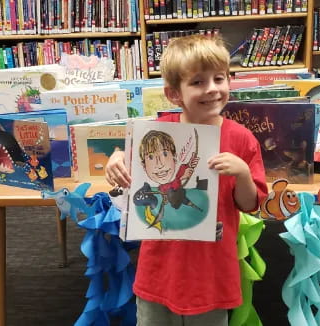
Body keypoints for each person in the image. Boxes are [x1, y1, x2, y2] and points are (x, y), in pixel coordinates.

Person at [105, 34, 268, 326]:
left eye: (220, 78)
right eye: (197, 82)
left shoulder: (241, 139)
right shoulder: (157, 132)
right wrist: (117, 158)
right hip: (160, 269)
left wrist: (242, 172)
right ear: (174, 94)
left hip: (211, 271)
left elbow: (250, 203)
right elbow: (130, 169)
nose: (213, 89)